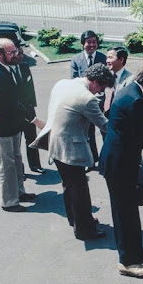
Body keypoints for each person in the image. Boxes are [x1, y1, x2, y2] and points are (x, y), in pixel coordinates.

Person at [98, 56, 143, 277]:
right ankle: (128, 262)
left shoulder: (131, 91)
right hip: (119, 165)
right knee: (124, 214)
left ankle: (134, 250)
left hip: (120, 161)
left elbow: (138, 127)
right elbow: (141, 137)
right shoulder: (136, 100)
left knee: (129, 211)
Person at [31, 63, 114, 240]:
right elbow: (105, 125)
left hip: (55, 144)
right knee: (80, 191)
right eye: (100, 88)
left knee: (69, 186)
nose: (99, 93)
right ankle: (85, 230)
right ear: (96, 82)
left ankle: (75, 220)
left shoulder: (62, 83)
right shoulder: (87, 98)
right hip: (71, 150)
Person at [0, 38, 43, 212]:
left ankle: (19, 191)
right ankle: (9, 201)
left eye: (15, 51)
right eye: (11, 53)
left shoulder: (8, 69)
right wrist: (34, 120)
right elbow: (11, 104)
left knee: (17, 160)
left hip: (13, 124)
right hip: (2, 127)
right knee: (6, 164)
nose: (16, 55)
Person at [70, 30, 107, 172]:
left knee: (105, 131)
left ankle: (105, 160)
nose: (91, 45)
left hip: (102, 102)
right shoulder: (76, 59)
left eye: (94, 42)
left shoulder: (103, 58)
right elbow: (74, 80)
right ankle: (91, 161)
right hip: (84, 102)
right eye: (88, 42)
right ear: (82, 44)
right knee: (87, 133)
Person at [12, 42, 45, 174]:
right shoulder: (7, 70)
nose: (20, 56)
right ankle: (20, 171)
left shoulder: (25, 67)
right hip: (15, 112)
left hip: (28, 109)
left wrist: (32, 107)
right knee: (16, 142)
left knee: (31, 138)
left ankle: (35, 165)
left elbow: (30, 89)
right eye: (17, 53)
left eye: (21, 53)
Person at [102, 46, 133, 118]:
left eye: (110, 58)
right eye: (107, 58)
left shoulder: (130, 80)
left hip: (120, 121)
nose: (107, 61)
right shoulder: (105, 76)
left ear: (121, 60)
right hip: (105, 120)